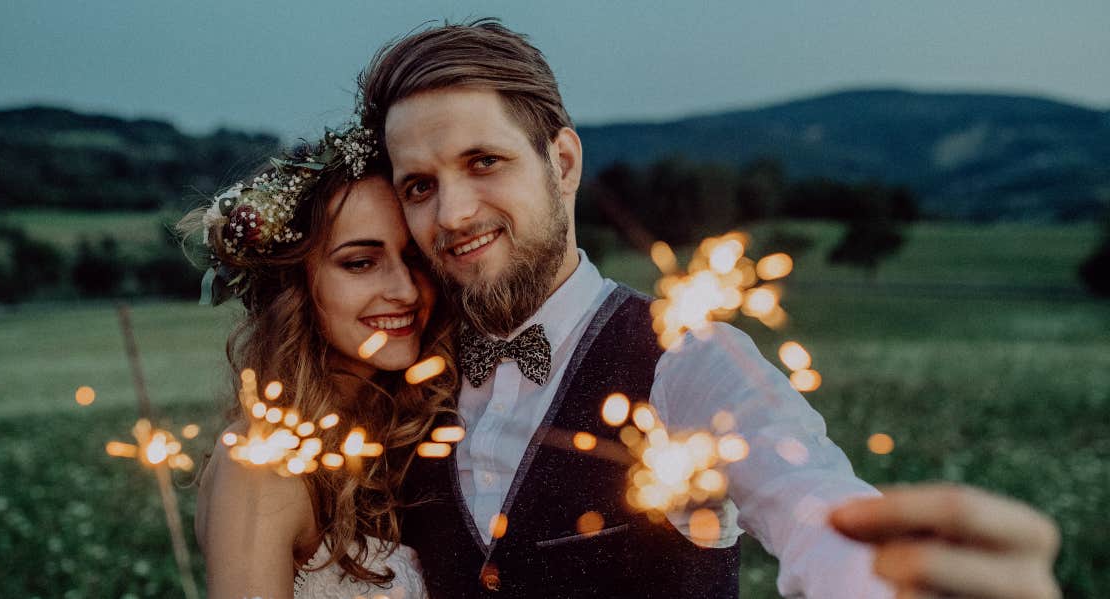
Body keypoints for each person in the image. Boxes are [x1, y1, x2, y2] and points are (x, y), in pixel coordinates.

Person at [357, 18, 1061, 598]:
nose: (451, 213)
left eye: (484, 162)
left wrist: (881, 573)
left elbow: (805, 493)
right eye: (419, 185)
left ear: (563, 162)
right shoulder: (405, 386)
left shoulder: (688, 358)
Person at [180, 125, 453, 599]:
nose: (407, 290)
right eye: (360, 263)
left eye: (415, 259)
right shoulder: (261, 466)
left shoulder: (418, 429)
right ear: (295, 286)